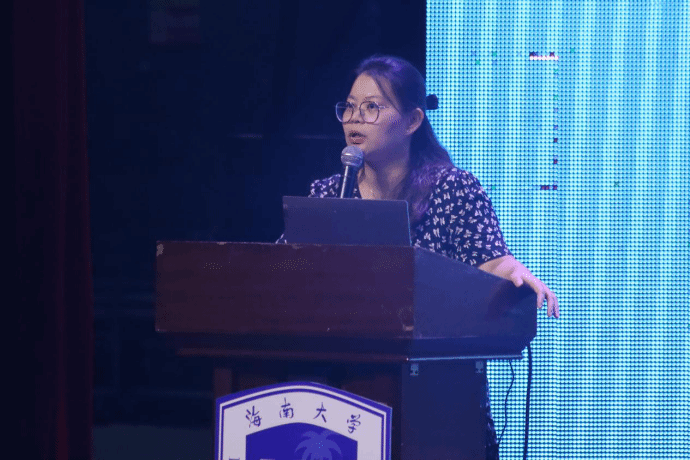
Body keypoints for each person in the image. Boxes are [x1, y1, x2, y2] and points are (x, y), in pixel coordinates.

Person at [289, 54, 559, 458]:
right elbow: (284, 267)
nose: (354, 118)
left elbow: (490, 260)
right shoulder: (328, 193)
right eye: (349, 107)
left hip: (437, 401)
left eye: (372, 107)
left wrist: (514, 271)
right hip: (338, 393)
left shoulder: (453, 190)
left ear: (413, 121)